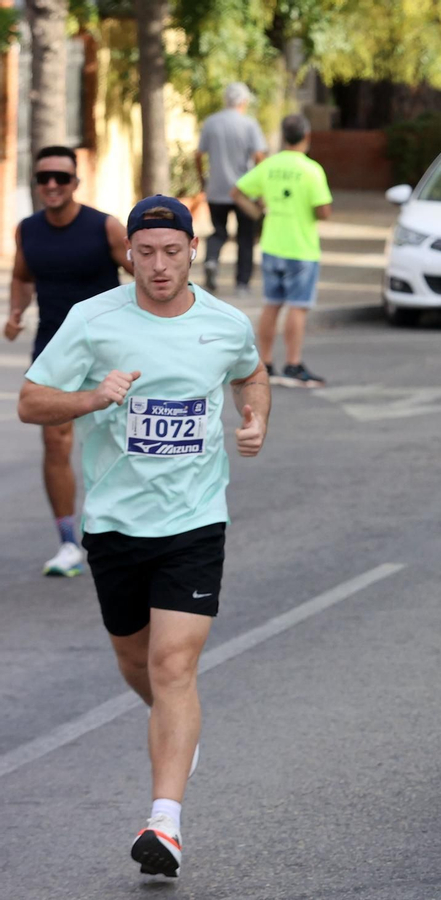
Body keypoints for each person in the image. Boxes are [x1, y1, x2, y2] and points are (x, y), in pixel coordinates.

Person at [17, 195, 270, 880]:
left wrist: (255, 419)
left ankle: (166, 822)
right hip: (115, 523)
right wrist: (94, 397)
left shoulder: (224, 323)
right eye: (145, 252)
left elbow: (251, 371)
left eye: (171, 251)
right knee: (136, 661)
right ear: (128, 253)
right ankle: (178, 728)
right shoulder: (93, 320)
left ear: (192, 250)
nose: (158, 266)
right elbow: (31, 401)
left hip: (194, 520)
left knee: (172, 666)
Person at [5, 145, 132, 577]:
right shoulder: (28, 230)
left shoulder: (105, 228)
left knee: (119, 444)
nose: (52, 185)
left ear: (76, 182)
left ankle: (121, 532)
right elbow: (22, 276)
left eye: (61, 177)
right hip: (54, 351)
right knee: (55, 442)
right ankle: (67, 543)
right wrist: (16, 312)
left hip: (110, 352)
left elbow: (149, 276)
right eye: (44, 179)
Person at [229, 114, 332, 388]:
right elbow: (323, 210)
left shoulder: (269, 166)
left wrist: (256, 212)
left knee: (271, 304)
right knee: (297, 308)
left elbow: (237, 192)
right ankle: (293, 363)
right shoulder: (312, 170)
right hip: (301, 247)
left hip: (273, 244)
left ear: (284, 137)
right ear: (307, 137)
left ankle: (265, 361)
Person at [194, 82, 266, 295]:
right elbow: (259, 156)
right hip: (244, 192)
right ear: (244, 102)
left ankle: (211, 261)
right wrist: (261, 186)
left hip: (216, 188)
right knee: (245, 237)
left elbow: (198, 155)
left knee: (218, 231)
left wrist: (203, 180)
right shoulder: (249, 125)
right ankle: (242, 284)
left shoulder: (211, 123)